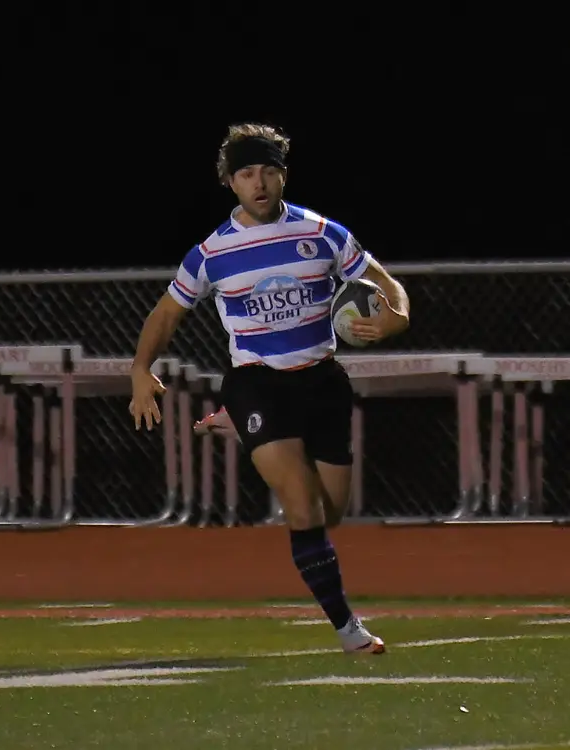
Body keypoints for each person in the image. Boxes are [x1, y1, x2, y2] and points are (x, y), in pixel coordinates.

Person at [130, 122, 410, 654]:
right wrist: (140, 368)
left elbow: (386, 283)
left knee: (329, 514)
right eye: (245, 174)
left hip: (323, 382)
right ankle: (347, 629)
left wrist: (397, 316)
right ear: (230, 182)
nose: (258, 183)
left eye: (267, 171)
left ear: (283, 175)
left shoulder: (322, 232)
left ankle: (239, 429)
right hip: (257, 384)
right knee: (302, 510)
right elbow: (166, 315)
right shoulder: (211, 253)